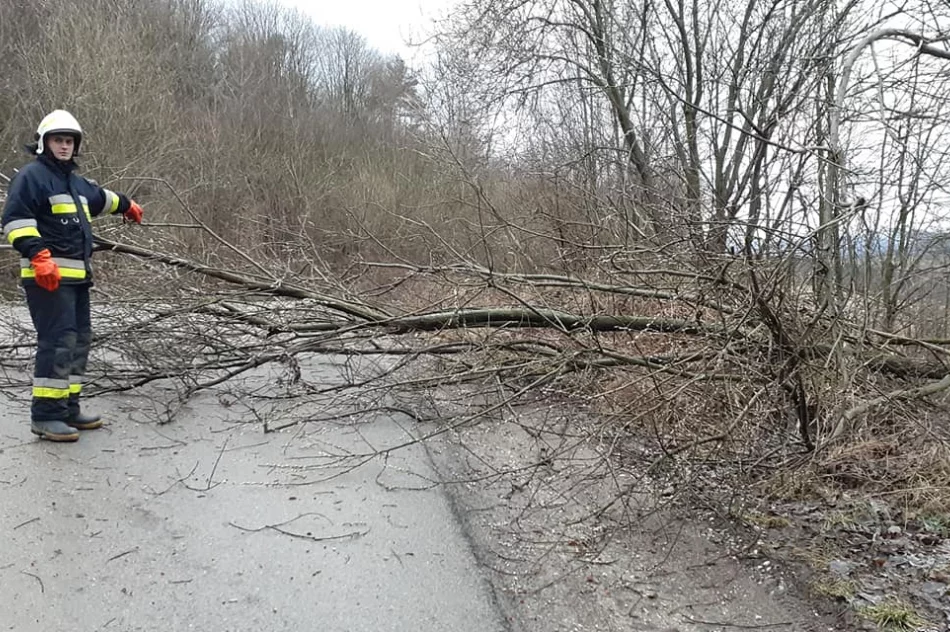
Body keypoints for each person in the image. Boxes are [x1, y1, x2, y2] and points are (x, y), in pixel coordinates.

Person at [1, 110, 144, 442]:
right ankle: (46, 416)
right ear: (43, 143)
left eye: (69, 141)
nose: (64, 146)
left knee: (79, 340)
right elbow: (14, 220)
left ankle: (68, 408)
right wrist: (37, 254)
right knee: (58, 341)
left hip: (77, 278)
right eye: (58, 140)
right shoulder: (31, 177)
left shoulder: (75, 183)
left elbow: (99, 199)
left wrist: (125, 204)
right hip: (46, 278)